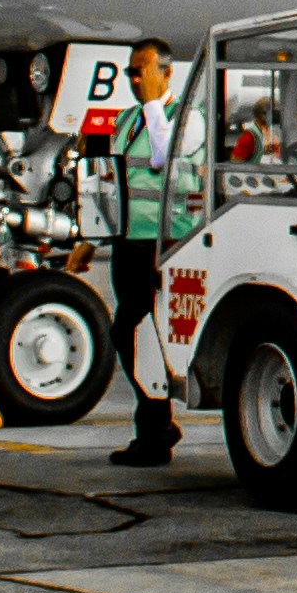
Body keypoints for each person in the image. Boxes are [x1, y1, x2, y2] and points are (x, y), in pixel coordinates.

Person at [107, 44, 197, 468]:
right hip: (128, 241)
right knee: (128, 333)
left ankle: (155, 431)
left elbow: (165, 161)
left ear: (166, 72)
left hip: (164, 243)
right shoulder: (126, 119)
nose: (133, 79)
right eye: (129, 73)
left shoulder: (185, 118)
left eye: (140, 71)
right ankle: (156, 425)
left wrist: (152, 110)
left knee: (140, 332)